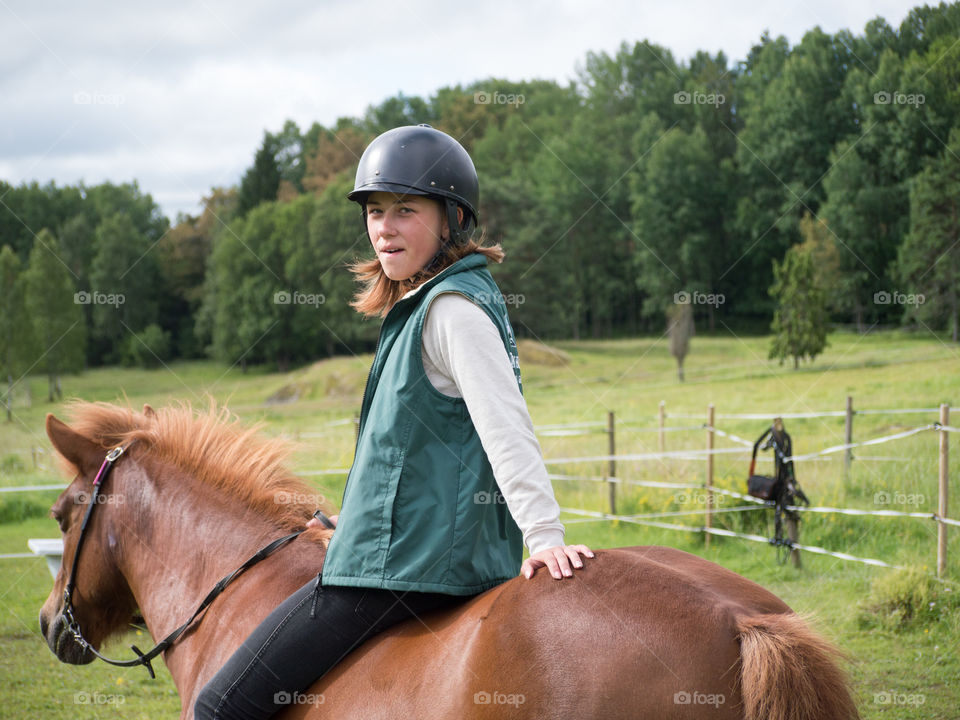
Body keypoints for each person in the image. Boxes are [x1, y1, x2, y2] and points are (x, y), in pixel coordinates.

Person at [194, 124, 593, 720]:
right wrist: (351, 522)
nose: (384, 226)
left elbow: (506, 428)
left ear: (453, 218)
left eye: (405, 210)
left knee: (219, 706)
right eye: (375, 211)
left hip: (400, 574)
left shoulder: (451, 311)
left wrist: (545, 536)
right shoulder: (430, 301)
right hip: (409, 555)